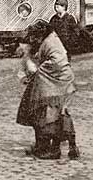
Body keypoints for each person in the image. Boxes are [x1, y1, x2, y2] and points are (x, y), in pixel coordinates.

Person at [16, 20, 80, 160]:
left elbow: (56, 63)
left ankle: (53, 149)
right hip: (60, 82)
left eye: (35, 36)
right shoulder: (50, 39)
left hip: (57, 83)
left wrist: (39, 71)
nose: (34, 39)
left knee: (51, 115)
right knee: (56, 113)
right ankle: (57, 146)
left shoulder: (50, 42)